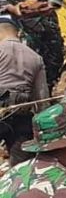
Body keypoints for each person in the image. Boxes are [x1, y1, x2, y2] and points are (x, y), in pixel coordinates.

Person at [0, 15, 48, 159]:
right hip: (22, 112)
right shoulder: (35, 57)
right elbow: (41, 97)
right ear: (18, 33)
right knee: (21, 163)